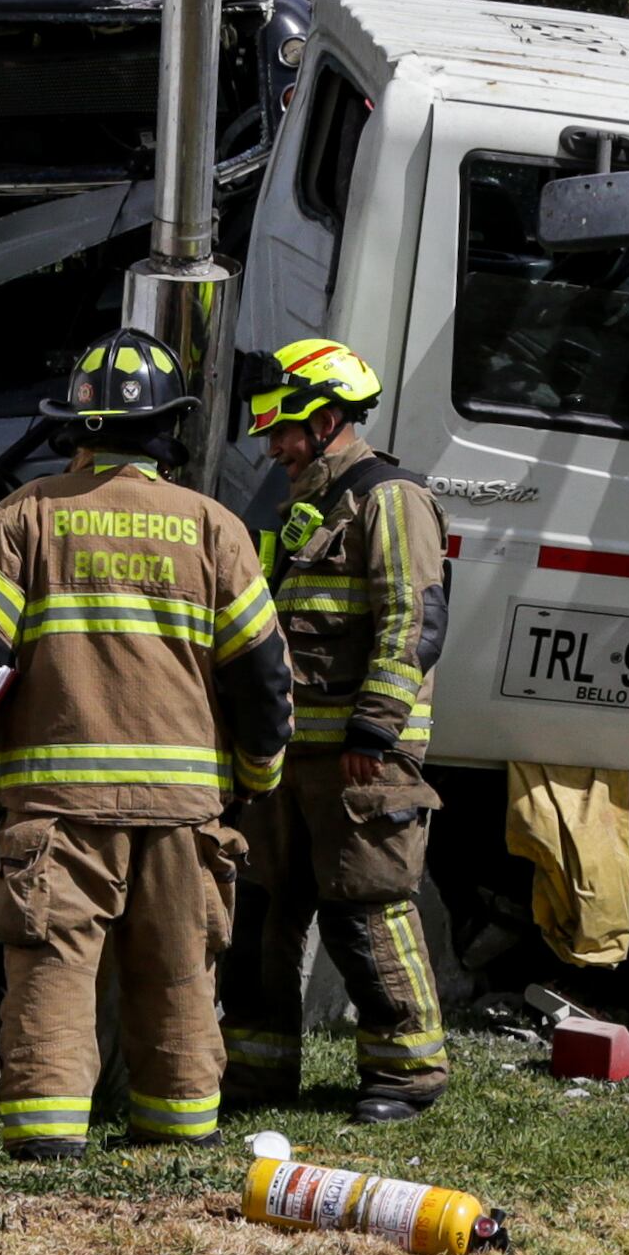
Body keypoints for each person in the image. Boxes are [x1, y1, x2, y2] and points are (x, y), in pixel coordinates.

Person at [0, 331, 290, 1150]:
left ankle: (46, 1141)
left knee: (53, 970)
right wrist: (257, 771)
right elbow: (264, 674)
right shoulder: (215, 529)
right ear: (168, 430)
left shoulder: (26, 518)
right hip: (185, 811)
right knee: (178, 970)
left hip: (56, 812)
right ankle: (176, 1133)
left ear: (76, 428)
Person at [220, 339, 452, 1122]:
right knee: (259, 918)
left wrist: (375, 732)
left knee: (367, 914)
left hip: (360, 764)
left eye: (286, 430)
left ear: (327, 421)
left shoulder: (388, 499)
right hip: (287, 763)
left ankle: (405, 1077)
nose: (275, 446)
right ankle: (256, 1075)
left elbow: (411, 623)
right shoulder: (301, 508)